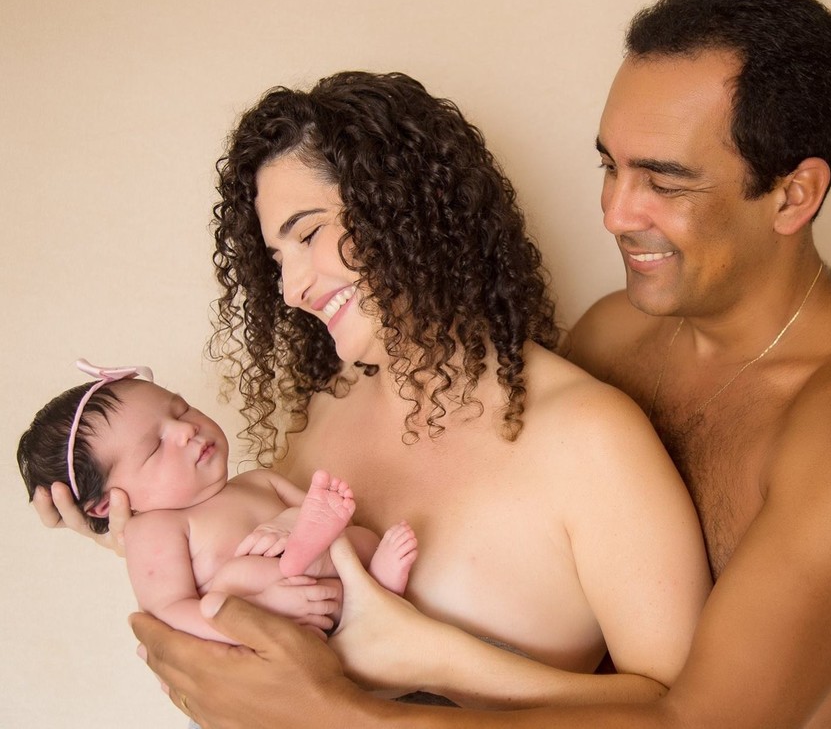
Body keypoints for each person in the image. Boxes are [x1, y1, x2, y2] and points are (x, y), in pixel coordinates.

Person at [122, 0, 831, 729]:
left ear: (793, 193)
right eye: (609, 167)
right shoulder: (615, 335)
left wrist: (348, 707)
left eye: (664, 180)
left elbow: (696, 721)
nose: (615, 213)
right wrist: (142, 519)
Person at [36, 70, 711, 713]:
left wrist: (434, 657)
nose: (293, 289)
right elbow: (263, 610)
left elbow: (691, 713)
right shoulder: (324, 411)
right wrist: (152, 547)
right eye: (277, 259)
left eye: (309, 233)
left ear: (404, 211)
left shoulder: (589, 439)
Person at [18, 359, 418, 643]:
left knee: (358, 538)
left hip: (337, 597)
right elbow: (171, 611)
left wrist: (291, 520)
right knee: (237, 577)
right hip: (275, 628)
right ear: (107, 505)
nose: (186, 430)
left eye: (181, 410)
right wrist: (259, 610)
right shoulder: (153, 529)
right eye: (155, 446)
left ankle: (373, 586)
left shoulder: (258, 480)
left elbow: (335, 516)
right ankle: (329, 577)